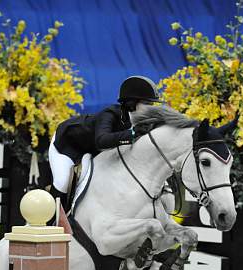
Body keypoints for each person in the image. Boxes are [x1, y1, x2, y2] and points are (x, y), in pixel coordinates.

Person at [48, 75, 161, 209]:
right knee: (62, 181)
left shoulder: (142, 120)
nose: (152, 108)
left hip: (92, 150)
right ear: (132, 103)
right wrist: (132, 134)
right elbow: (102, 141)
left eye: (152, 104)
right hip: (68, 144)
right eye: (148, 104)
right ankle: (50, 220)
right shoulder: (110, 114)